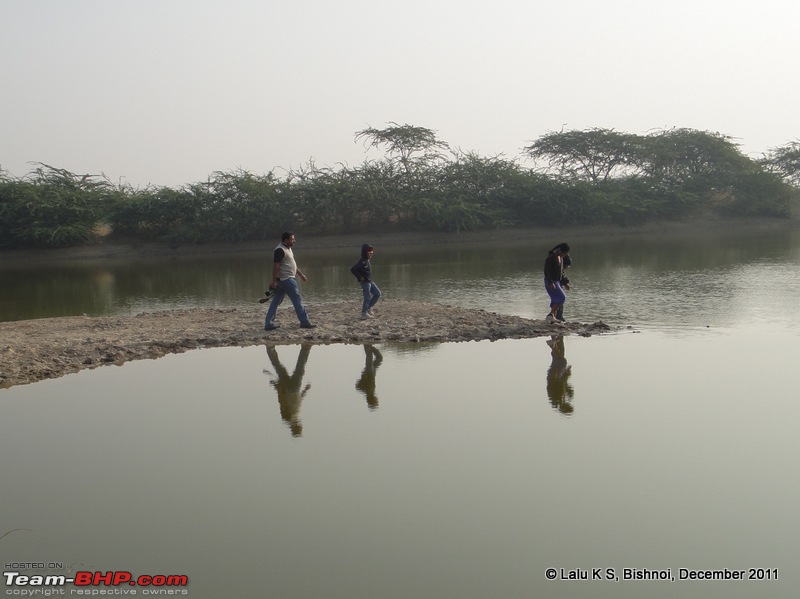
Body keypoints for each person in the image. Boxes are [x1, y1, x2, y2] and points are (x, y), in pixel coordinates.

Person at [264, 232, 316, 330]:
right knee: (297, 301)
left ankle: (269, 324)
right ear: (286, 240)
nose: (294, 241)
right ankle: (305, 322)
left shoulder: (288, 249)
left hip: (283, 280)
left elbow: (291, 265)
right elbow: (275, 266)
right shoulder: (280, 250)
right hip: (286, 280)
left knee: (275, 302)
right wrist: (273, 281)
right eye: (292, 239)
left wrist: (300, 275)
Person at [350, 243, 382, 320]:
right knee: (367, 297)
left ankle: (368, 308)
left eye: (372, 253)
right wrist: (359, 277)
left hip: (370, 281)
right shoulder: (363, 261)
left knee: (377, 293)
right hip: (365, 283)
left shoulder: (367, 260)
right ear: (365, 252)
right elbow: (353, 269)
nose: (371, 254)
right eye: (369, 252)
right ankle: (364, 314)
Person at [544, 242, 570, 324]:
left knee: (555, 301)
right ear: (560, 251)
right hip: (551, 281)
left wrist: (565, 283)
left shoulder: (561, 259)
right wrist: (550, 282)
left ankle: (552, 319)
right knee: (562, 297)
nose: (565, 255)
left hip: (557, 282)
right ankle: (551, 315)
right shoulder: (551, 258)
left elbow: (561, 273)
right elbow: (546, 271)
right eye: (565, 253)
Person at [556, 254, 572, 322]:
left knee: (559, 302)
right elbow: (562, 277)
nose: (567, 267)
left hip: (559, 286)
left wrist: (566, 282)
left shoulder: (561, 269)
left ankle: (558, 316)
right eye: (567, 266)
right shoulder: (559, 269)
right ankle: (558, 317)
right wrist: (566, 284)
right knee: (560, 301)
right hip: (557, 286)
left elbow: (563, 276)